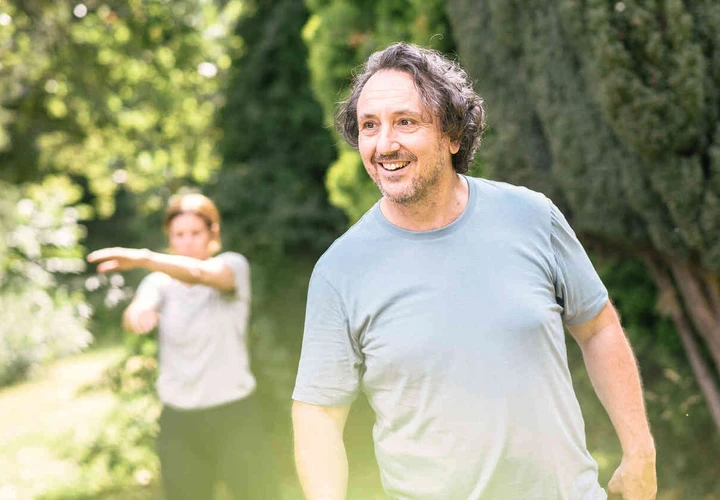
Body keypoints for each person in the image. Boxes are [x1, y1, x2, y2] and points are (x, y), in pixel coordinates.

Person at [291, 43, 657, 500]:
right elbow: (319, 411)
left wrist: (640, 452)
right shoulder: (340, 270)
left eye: (405, 121)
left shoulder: (532, 216)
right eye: (369, 125)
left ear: (453, 135)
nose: (384, 144)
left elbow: (598, 329)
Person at [87, 193, 278, 500]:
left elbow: (199, 273)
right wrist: (138, 313)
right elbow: (139, 307)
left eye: (195, 233)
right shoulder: (159, 283)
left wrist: (144, 259)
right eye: (179, 235)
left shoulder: (232, 266)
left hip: (235, 416)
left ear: (213, 233)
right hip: (179, 423)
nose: (187, 242)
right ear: (170, 237)